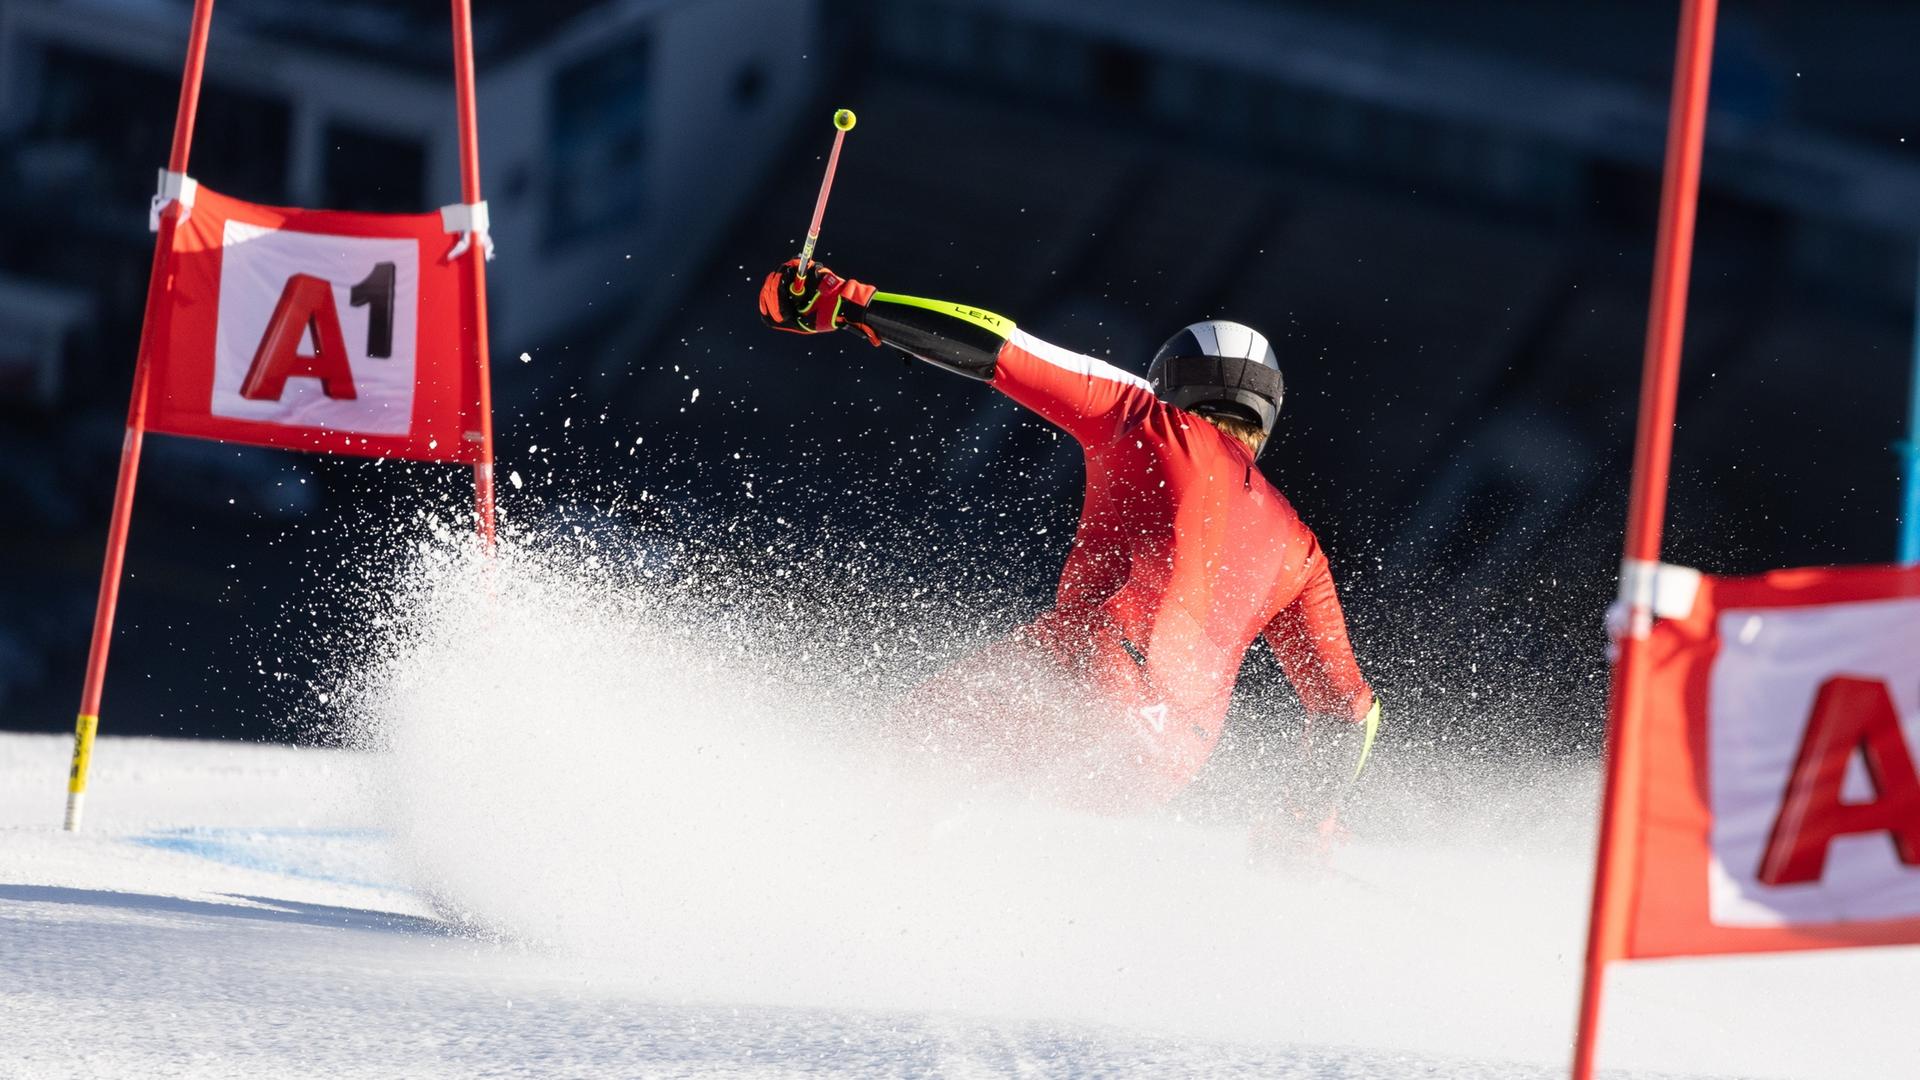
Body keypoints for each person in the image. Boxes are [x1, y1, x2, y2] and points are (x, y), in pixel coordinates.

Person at [758, 259, 1379, 827]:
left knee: (899, 759)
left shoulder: (1148, 417)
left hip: (1090, 671)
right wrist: (1309, 821)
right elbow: (1350, 714)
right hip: (1168, 759)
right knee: (998, 834)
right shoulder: (1302, 549)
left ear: (1171, 386)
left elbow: (1000, 347)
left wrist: (849, 304)